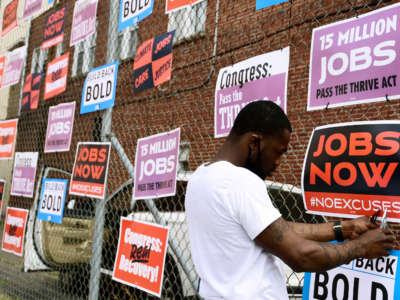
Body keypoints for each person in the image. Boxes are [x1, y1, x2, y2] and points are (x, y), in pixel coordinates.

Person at [185, 100, 395, 300]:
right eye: (278, 152)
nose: (278, 163)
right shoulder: (241, 181)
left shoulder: (200, 178)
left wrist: (343, 228)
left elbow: (275, 231)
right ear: (254, 142)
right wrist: (360, 247)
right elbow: (300, 256)